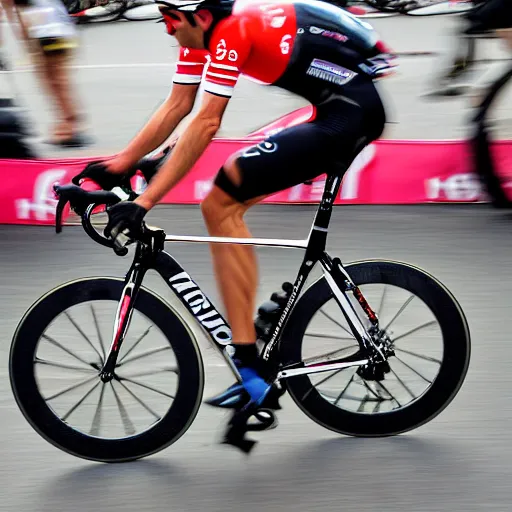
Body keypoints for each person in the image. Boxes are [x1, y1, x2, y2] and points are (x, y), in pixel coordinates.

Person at [83, 0, 396, 410]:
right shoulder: (200, 31)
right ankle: (251, 348)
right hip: (333, 106)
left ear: (202, 16)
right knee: (221, 201)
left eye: (170, 19)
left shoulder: (233, 30)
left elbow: (207, 122)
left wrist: (145, 201)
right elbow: (178, 107)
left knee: (220, 203)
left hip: (348, 115)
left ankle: (249, 365)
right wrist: (119, 165)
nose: (166, 29)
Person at [1, 0, 90, 146]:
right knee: (56, 81)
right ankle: (66, 126)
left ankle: (69, 128)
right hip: (59, 28)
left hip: (47, 33)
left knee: (55, 81)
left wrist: (23, 41)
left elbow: (12, 13)